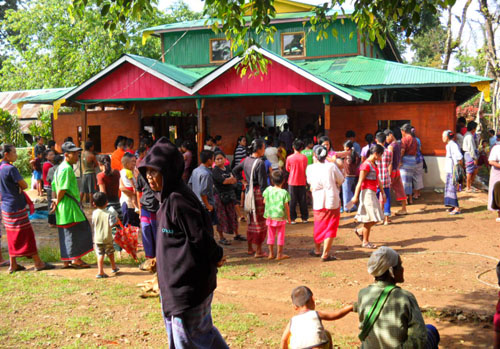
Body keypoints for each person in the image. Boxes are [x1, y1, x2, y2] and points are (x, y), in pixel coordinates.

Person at [138, 137, 228, 349]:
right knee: (200, 335)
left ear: (168, 170)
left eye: (155, 171)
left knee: (191, 340)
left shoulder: (178, 200)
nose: (150, 177)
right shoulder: (167, 198)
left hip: (188, 287)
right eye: (147, 171)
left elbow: (199, 237)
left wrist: (217, 254)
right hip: (176, 285)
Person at [355, 246, 440, 348]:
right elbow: (419, 337)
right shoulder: (405, 297)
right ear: (391, 271)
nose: (402, 269)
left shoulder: (363, 294)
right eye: (399, 265)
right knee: (431, 330)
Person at [0, 145, 55, 273]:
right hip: (16, 206)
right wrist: (18, 186)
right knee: (27, 234)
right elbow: (24, 185)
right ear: (6, 154)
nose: (16, 154)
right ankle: (37, 262)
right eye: (14, 152)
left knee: (11, 236)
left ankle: (13, 264)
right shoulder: (10, 169)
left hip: (6, 207)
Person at [51, 141, 94, 268]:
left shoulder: (59, 168)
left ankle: (67, 260)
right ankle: (76, 259)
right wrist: (57, 201)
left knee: (66, 233)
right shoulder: (67, 169)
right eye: (74, 154)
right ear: (66, 155)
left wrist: (54, 201)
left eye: (77, 154)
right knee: (76, 231)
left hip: (63, 206)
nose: (77, 156)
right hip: (68, 206)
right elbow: (62, 189)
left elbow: (54, 187)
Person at [281, 286, 353, 349]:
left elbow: (283, 339)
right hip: (317, 346)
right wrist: (350, 308)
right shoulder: (315, 314)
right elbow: (336, 315)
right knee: (327, 334)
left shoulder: (293, 320)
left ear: (295, 307)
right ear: (313, 299)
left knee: (290, 338)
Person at [307, 145, 344, 261]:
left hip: (318, 200)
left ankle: (317, 249)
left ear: (315, 155)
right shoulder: (331, 166)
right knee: (331, 225)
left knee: (319, 224)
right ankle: (325, 253)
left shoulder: (310, 168)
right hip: (332, 199)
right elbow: (341, 179)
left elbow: (309, 182)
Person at [233, 139, 269, 257]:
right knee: (259, 221)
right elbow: (263, 185)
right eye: (263, 147)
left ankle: (250, 248)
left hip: (248, 192)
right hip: (258, 193)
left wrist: (243, 181)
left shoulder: (246, 160)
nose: (264, 150)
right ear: (258, 149)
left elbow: (234, 170)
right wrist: (266, 199)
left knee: (250, 220)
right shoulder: (260, 163)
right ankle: (259, 250)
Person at [190, 150, 230, 246]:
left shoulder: (195, 170)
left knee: (201, 229)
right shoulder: (206, 174)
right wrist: (208, 206)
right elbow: (203, 192)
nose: (213, 160)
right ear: (209, 160)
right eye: (213, 158)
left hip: (197, 204)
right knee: (208, 231)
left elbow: (190, 185)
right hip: (205, 206)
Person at [351, 144, 385, 249]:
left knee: (375, 217)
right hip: (367, 192)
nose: (381, 157)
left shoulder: (373, 164)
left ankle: (361, 232)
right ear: (375, 154)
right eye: (380, 155)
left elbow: (378, 179)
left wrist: (382, 192)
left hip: (372, 192)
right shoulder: (366, 165)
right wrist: (355, 196)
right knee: (371, 218)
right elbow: (360, 181)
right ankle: (365, 241)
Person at [212, 152, 246, 243]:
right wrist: (229, 180)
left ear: (225, 159)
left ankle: (236, 234)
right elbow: (224, 182)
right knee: (221, 216)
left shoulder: (227, 168)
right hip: (220, 196)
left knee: (233, 215)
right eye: (217, 159)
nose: (219, 160)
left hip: (230, 194)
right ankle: (221, 237)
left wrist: (230, 180)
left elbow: (234, 180)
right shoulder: (215, 171)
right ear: (214, 161)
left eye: (221, 158)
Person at [263, 170, 291, 260]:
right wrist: (289, 218)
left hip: (270, 216)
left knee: (270, 235)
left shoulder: (268, 190)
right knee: (280, 235)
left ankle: (271, 254)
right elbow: (286, 206)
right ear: (283, 181)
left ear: (272, 181)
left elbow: (264, 201)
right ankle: (279, 254)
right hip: (280, 217)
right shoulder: (284, 192)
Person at [92, 192, 119, 279]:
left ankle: (100, 271)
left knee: (100, 254)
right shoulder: (109, 213)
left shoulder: (94, 213)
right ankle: (114, 267)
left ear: (94, 204)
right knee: (110, 253)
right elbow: (111, 224)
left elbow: (93, 223)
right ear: (106, 202)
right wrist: (116, 222)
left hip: (97, 238)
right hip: (107, 238)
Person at [136, 166, 160, 264]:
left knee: (156, 232)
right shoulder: (141, 176)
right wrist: (140, 210)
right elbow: (138, 192)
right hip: (145, 207)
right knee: (146, 230)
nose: (149, 176)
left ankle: (158, 257)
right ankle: (149, 259)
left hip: (157, 208)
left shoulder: (159, 176)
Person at [385, 129, 408, 215]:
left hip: (392, 171)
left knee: (386, 190)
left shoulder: (391, 146)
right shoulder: (398, 144)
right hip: (397, 170)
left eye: (387, 137)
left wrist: (389, 173)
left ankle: (386, 211)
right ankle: (404, 208)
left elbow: (390, 161)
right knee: (400, 189)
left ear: (390, 135)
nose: (386, 139)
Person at [286, 139, 309, 224]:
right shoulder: (304, 158)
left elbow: (287, 169)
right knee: (303, 200)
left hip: (292, 181)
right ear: (302, 148)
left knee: (292, 201)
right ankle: (304, 218)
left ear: (293, 147)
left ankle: (292, 218)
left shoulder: (289, 157)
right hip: (302, 180)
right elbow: (305, 167)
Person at [443, 130, 463, 215]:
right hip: (449, 170)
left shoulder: (453, 145)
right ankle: (452, 206)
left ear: (447, 137)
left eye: (443, 136)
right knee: (449, 189)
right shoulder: (449, 145)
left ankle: (457, 208)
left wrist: (457, 169)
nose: (442, 138)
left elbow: (459, 157)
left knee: (452, 189)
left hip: (453, 170)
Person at [375, 132, 393, 225]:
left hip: (376, 179)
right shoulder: (389, 152)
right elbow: (390, 164)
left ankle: (377, 218)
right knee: (387, 198)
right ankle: (386, 218)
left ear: (376, 140)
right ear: (385, 140)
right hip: (385, 178)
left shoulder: (374, 152)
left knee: (376, 199)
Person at [400, 124, 418, 204]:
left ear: (403, 131)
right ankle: (410, 199)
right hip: (413, 160)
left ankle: (404, 200)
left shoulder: (404, 139)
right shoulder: (414, 139)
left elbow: (402, 151)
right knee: (409, 181)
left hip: (406, 160)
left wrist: (399, 160)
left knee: (404, 181)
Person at [119, 153, 140, 227]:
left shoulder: (136, 172)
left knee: (136, 226)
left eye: (135, 161)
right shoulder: (123, 173)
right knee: (127, 226)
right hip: (127, 203)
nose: (134, 163)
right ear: (127, 163)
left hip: (137, 203)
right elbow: (122, 188)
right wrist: (135, 193)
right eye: (132, 161)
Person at [342, 140, 360, 213]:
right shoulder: (355, 154)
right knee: (350, 192)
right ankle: (352, 206)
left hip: (347, 175)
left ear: (347, 148)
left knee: (346, 192)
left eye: (344, 147)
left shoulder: (346, 154)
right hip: (353, 175)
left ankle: (347, 207)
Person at [463, 121, 480, 192]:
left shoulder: (469, 135)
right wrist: (474, 158)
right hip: (469, 155)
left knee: (475, 170)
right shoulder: (469, 136)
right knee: (469, 171)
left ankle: (470, 184)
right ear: (473, 128)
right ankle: (468, 187)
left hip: (470, 154)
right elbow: (471, 148)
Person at [80, 141, 98, 206]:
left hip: (84, 173)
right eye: (92, 147)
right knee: (91, 190)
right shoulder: (92, 156)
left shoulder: (82, 154)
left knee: (82, 189)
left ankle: (80, 203)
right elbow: (96, 164)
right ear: (90, 147)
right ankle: (91, 204)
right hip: (91, 173)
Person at [488, 141, 500, 222]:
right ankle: (499, 213)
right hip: (497, 173)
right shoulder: (496, 148)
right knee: (498, 194)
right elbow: (491, 161)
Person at [412, 128, 425, 200]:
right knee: (419, 176)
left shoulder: (411, 140)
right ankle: (418, 192)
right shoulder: (418, 140)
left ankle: (416, 194)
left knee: (415, 177)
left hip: (414, 160)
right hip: (420, 159)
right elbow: (420, 149)